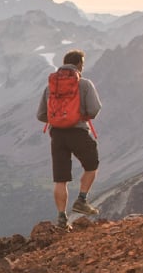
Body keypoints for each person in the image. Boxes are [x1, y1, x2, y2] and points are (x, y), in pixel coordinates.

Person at [38, 49, 102, 227]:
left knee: (60, 179)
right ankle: (81, 200)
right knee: (92, 164)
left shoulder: (50, 86)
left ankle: (61, 218)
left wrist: (58, 120)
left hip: (57, 134)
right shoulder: (85, 84)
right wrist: (79, 116)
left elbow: (41, 114)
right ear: (80, 64)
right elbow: (95, 109)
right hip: (78, 132)